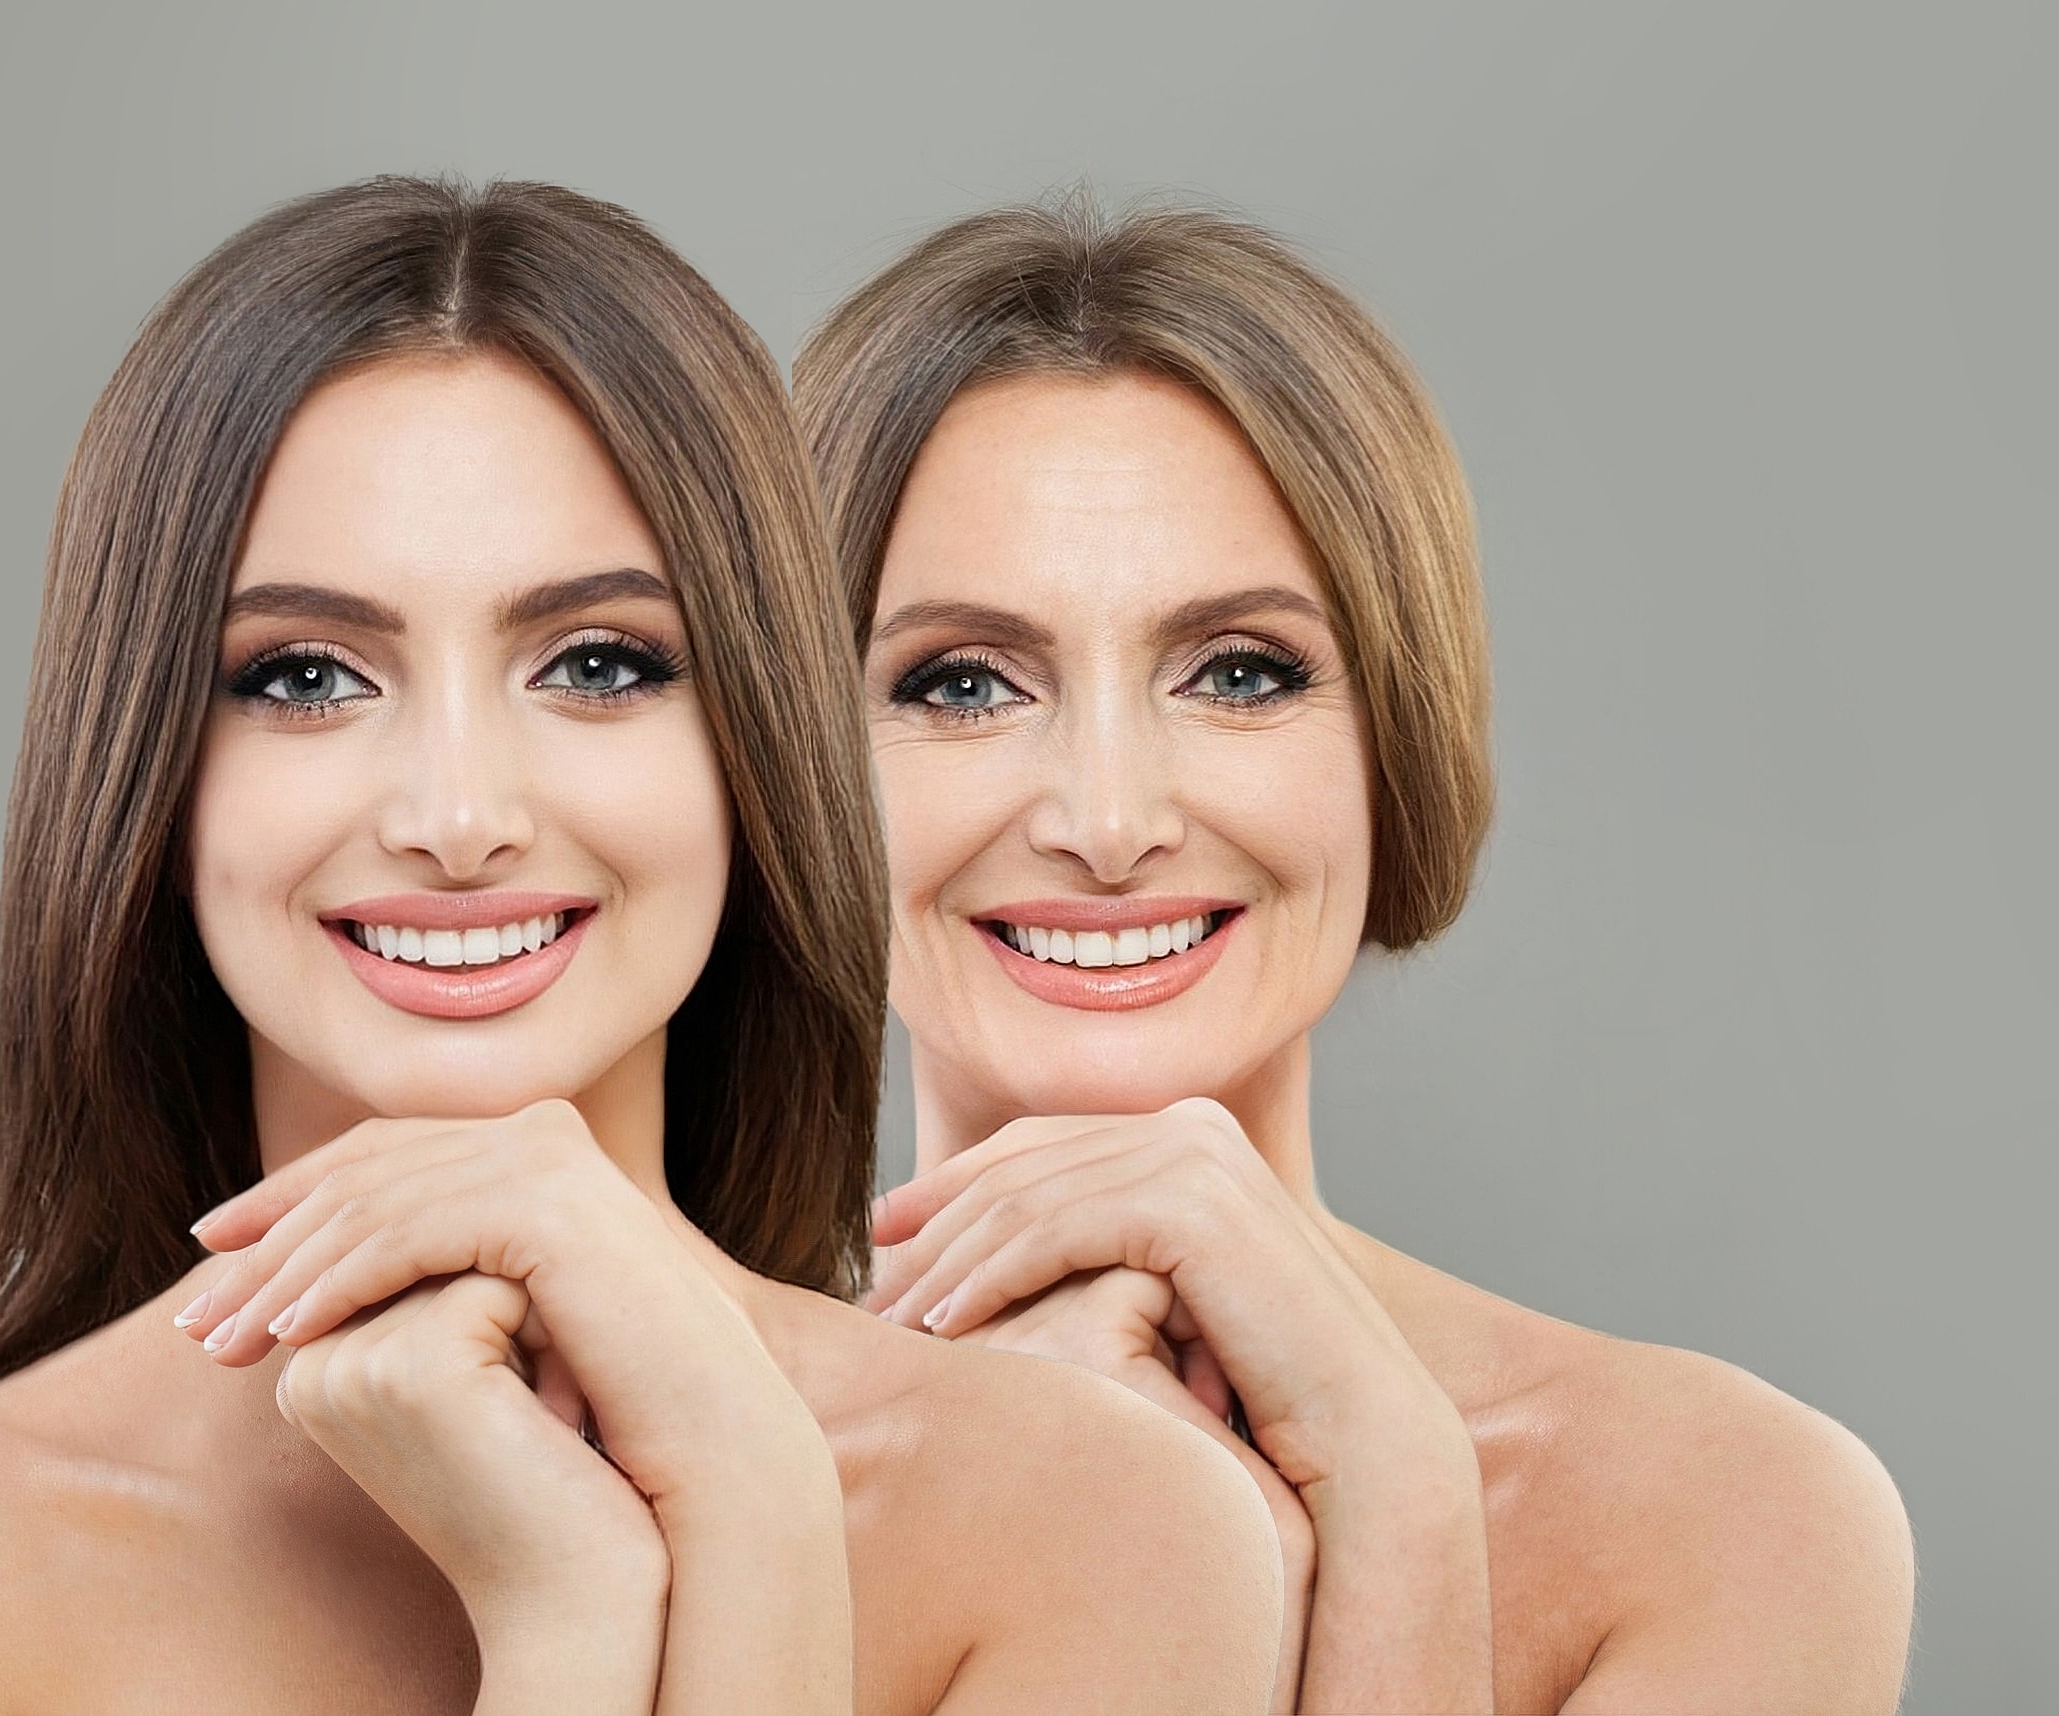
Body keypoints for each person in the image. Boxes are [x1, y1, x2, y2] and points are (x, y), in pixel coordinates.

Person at [0, 177, 1281, 1714]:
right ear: (145, 771)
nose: (458, 816)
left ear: (758, 748)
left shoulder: (1105, 1527)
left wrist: (754, 1505)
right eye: (303, 676)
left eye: (596, 662)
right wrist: (575, 1619)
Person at [794, 196, 1915, 1714]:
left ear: (1394, 739)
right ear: (788, 755)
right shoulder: (592, 1453)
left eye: (1241, 672)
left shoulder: (1728, 1520)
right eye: (962, 684)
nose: (1109, 821)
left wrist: (1397, 1500)